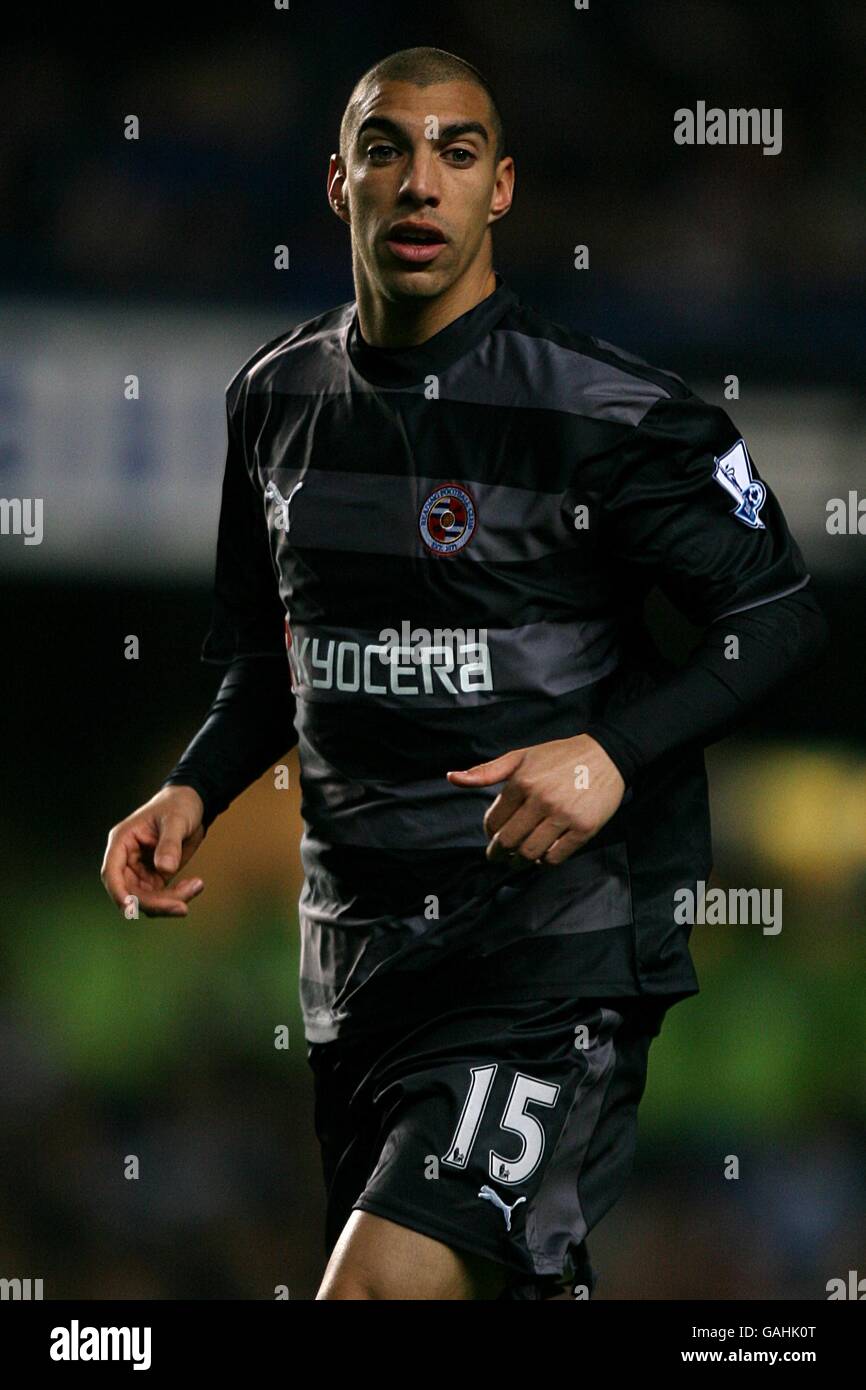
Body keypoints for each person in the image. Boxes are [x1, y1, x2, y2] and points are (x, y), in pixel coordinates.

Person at [100, 46, 828, 1300]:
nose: (420, 181)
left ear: (502, 191)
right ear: (340, 185)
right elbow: (279, 660)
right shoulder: (273, 403)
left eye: (456, 150)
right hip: (357, 973)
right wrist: (194, 787)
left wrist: (611, 754)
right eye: (388, 148)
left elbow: (776, 615)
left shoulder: (602, 413)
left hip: (546, 960)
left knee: (375, 1288)